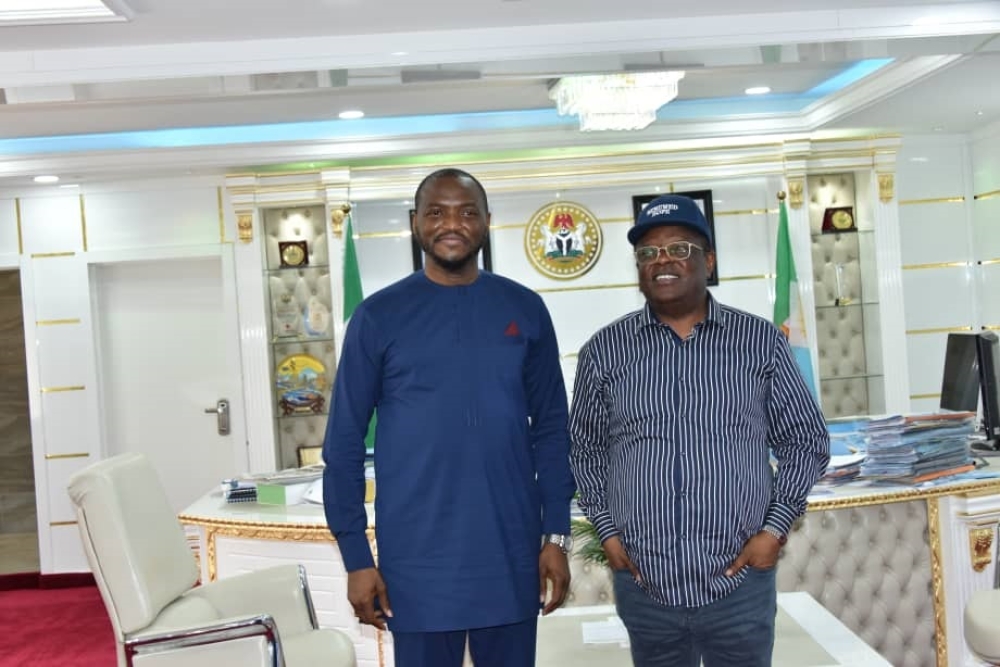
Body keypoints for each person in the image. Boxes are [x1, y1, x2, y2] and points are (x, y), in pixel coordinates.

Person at [323, 168, 576, 667]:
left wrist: (556, 534)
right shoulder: (377, 316)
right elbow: (345, 444)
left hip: (509, 552)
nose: (451, 224)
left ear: (486, 222)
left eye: (466, 212)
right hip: (416, 562)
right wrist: (356, 557)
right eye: (436, 212)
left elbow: (551, 428)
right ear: (416, 223)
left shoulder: (525, 309)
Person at [568, 194, 830, 667]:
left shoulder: (759, 342)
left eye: (679, 249)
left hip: (739, 584)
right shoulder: (604, 352)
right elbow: (584, 451)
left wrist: (773, 530)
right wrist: (607, 532)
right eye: (647, 253)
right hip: (646, 586)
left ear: (708, 261)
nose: (662, 260)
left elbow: (806, 441)